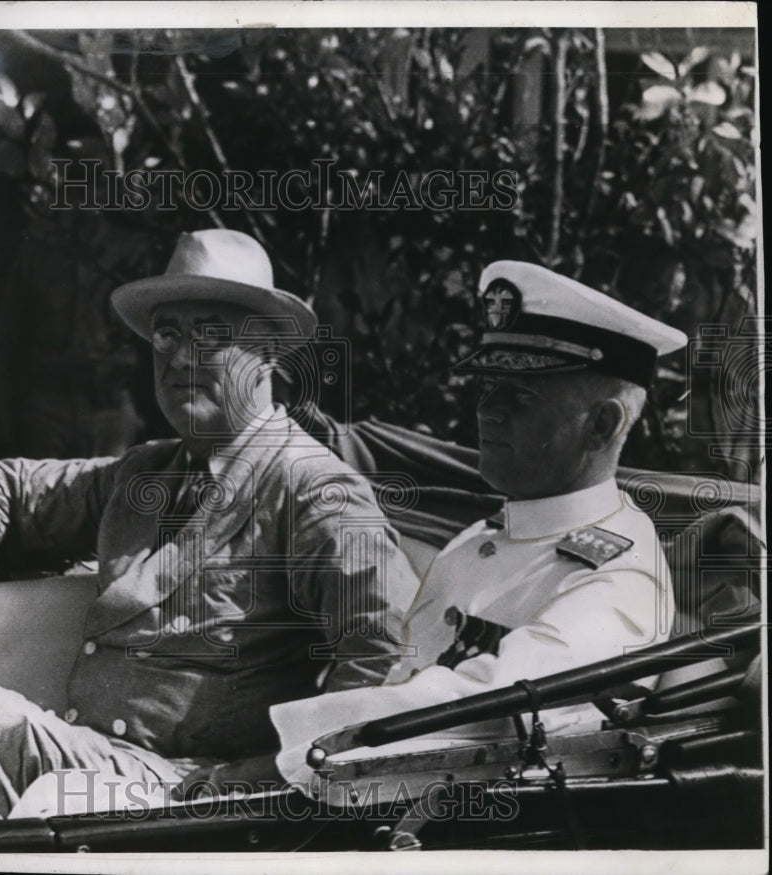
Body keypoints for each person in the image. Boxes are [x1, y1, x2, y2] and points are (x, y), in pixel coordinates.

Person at [0, 228, 419, 824]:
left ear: (269, 352)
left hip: (192, 793)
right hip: (87, 760)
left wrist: (271, 774)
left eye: (209, 335)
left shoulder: (314, 490)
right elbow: (3, 486)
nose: (180, 359)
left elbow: (387, 656)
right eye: (166, 335)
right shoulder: (145, 471)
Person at [194, 260, 688, 792]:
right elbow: (401, 675)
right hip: (385, 796)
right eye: (489, 386)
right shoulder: (482, 537)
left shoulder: (620, 578)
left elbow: (479, 713)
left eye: (519, 396)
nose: (486, 411)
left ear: (603, 425)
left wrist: (278, 766)